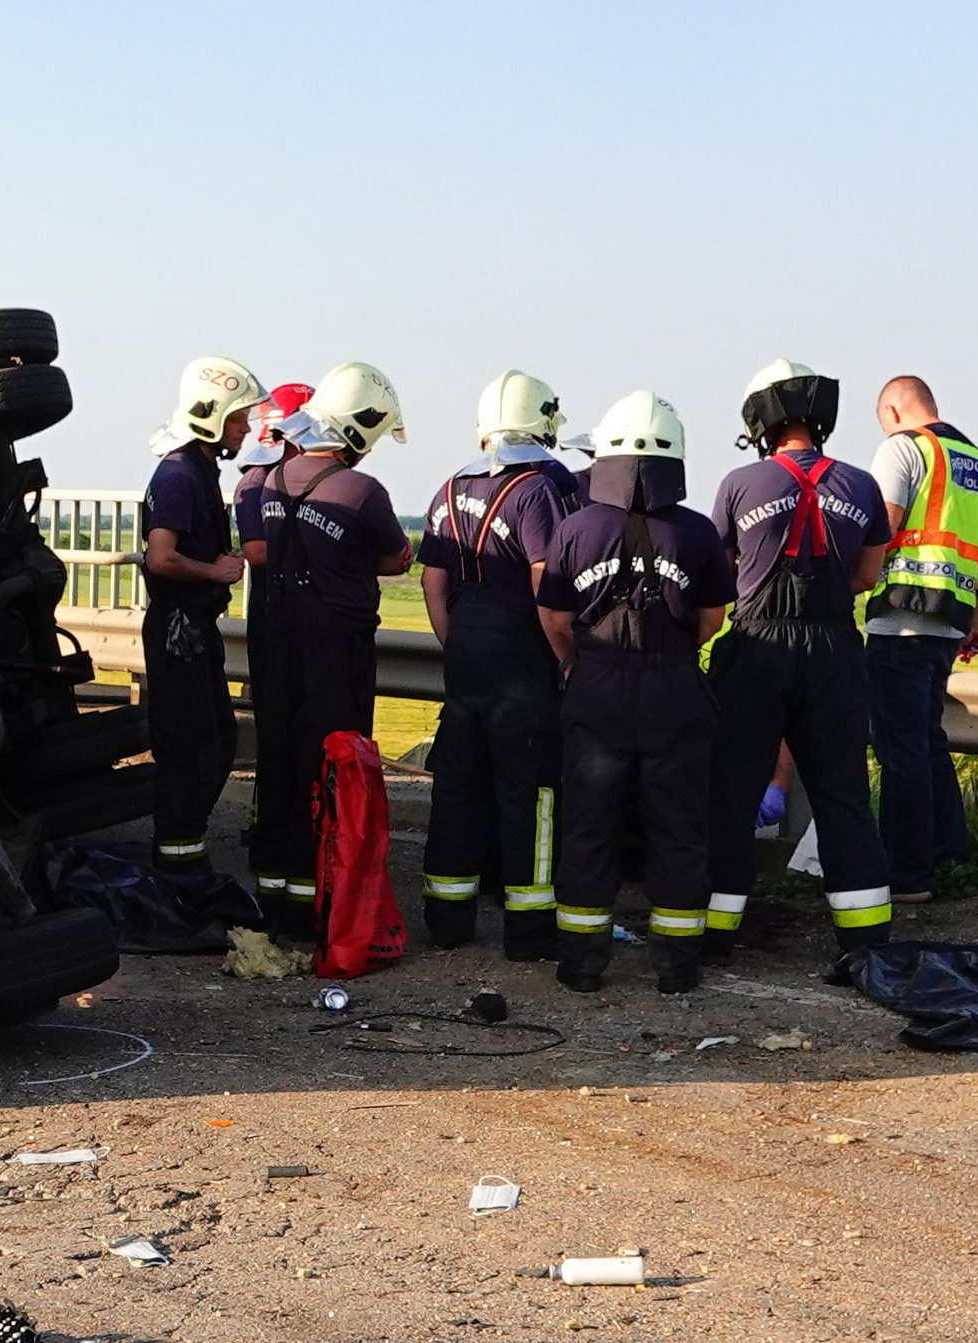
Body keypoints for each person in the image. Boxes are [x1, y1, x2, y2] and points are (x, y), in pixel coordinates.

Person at [536, 392, 733, 993]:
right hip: (674, 688)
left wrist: (577, 666)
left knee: (589, 828)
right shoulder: (697, 531)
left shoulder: (573, 529)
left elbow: (554, 617)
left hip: (595, 689)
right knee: (678, 828)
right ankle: (677, 970)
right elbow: (712, 619)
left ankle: (581, 966)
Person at [703, 360, 897, 959]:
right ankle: (865, 939)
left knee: (730, 792)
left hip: (757, 648)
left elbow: (718, 573)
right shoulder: (863, 485)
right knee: (842, 794)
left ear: (761, 420)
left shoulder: (740, 483)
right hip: (834, 651)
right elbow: (868, 575)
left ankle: (714, 933)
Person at [235, 361, 411, 938]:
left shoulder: (272, 478)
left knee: (281, 761)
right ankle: (321, 900)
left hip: (277, 637)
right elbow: (396, 558)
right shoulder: (361, 490)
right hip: (336, 646)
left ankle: (276, 895)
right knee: (331, 766)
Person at [416, 371, 577, 958]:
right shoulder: (539, 490)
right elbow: (546, 582)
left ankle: (448, 919)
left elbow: (432, 579)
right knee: (530, 794)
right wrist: (567, 656)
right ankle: (529, 931)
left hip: (467, 660)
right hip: (523, 663)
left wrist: (456, 641)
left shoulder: (450, 487)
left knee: (458, 788)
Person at [863, 377, 978, 902]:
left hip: (900, 616)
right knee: (926, 739)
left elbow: (881, 526)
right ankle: (948, 855)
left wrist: (849, 583)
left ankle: (905, 875)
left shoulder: (903, 448)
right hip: (950, 620)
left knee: (899, 746)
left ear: (892, 408)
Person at [139, 356, 268, 890]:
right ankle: (178, 863)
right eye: (239, 420)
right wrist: (213, 569)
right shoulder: (178, 474)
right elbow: (160, 557)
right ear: (212, 417)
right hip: (179, 630)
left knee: (216, 736)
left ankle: (183, 850)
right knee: (193, 746)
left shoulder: (195, 469)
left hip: (192, 627)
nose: (246, 430)